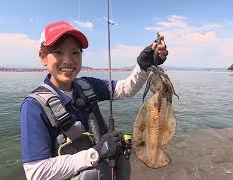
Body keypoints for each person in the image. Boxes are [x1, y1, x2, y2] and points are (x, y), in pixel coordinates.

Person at [20, 20, 169, 180]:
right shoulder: (34, 106)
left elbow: (125, 90)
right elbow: (36, 172)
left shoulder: (87, 85)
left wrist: (143, 65)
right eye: (58, 52)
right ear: (43, 57)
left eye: (75, 52)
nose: (68, 60)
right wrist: (96, 153)